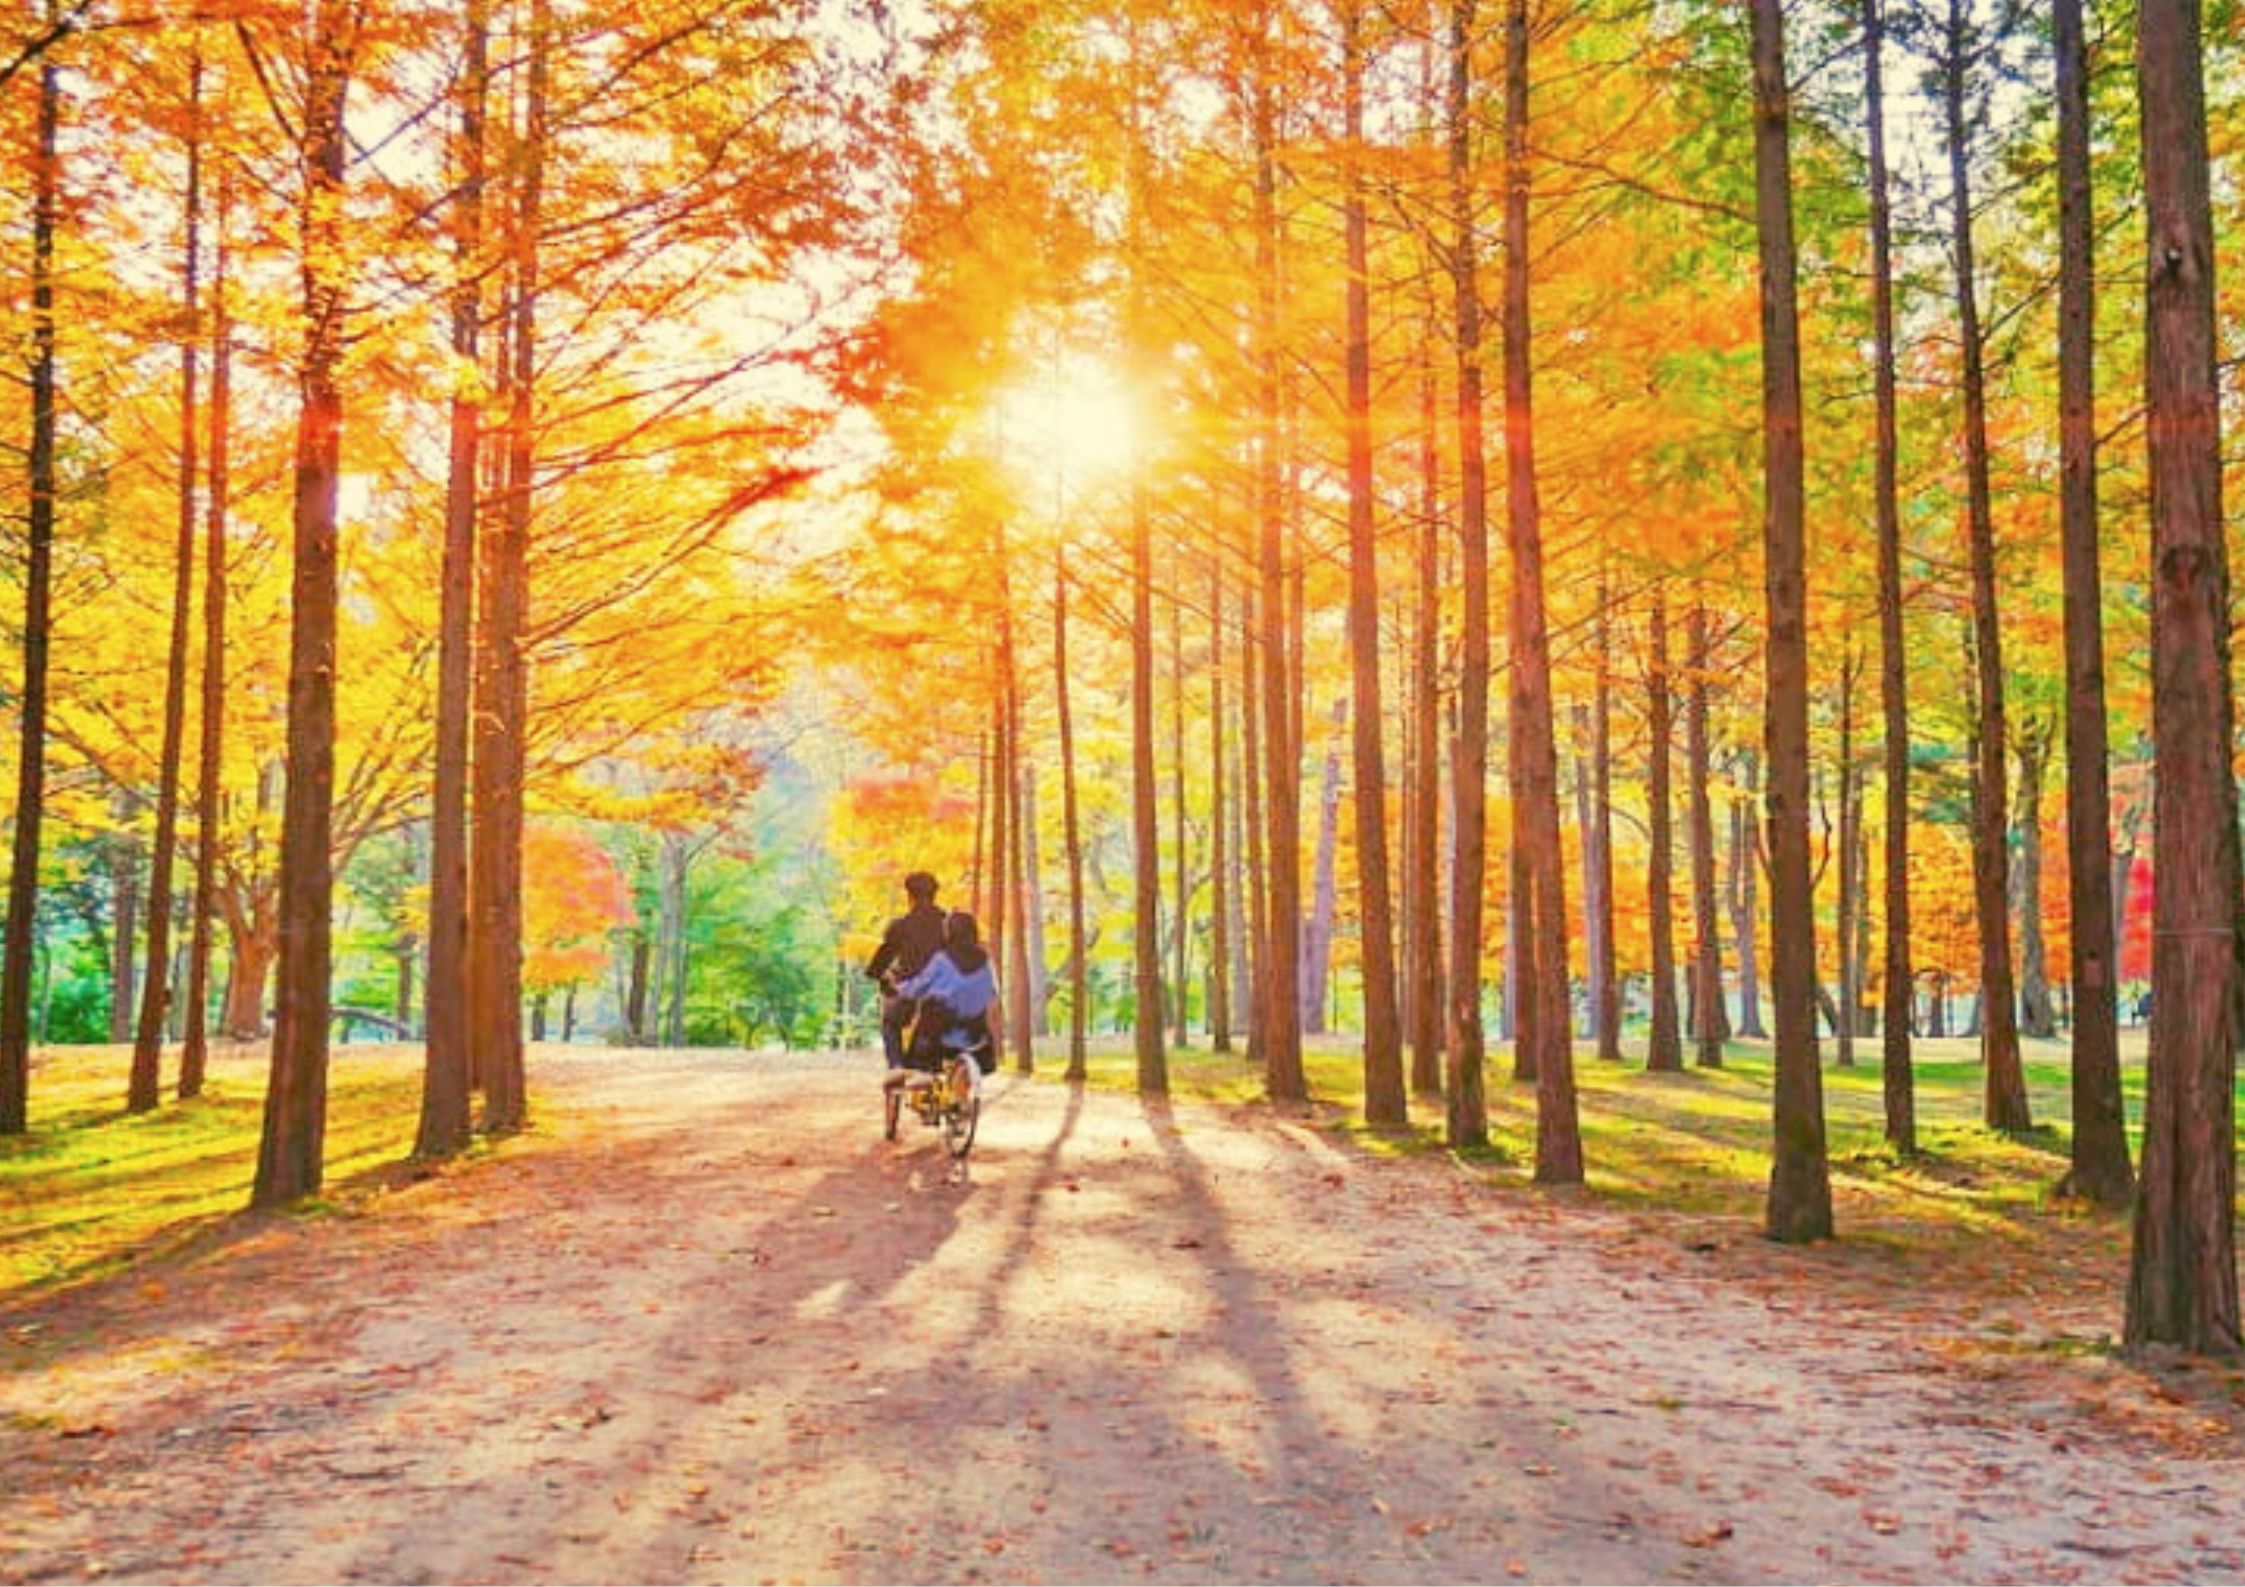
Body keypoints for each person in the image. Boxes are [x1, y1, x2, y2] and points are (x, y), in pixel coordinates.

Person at [888, 910, 997, 1088]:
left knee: (931, 1009)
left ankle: (925, 1071)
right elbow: (991, 993)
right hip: (975, 1034)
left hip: (939, 1034)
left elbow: (919, 986)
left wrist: (899, 988)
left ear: (950, 932)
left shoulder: (942, 959)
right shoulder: (986, 960)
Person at [866, 871, 946, 1069]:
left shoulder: (900, 927)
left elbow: (879, 965)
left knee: (890, 1022)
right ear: (935, 895)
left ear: (909, 896)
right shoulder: (951, 925)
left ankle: (897, 1067)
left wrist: (883, 979)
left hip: (912, 991)